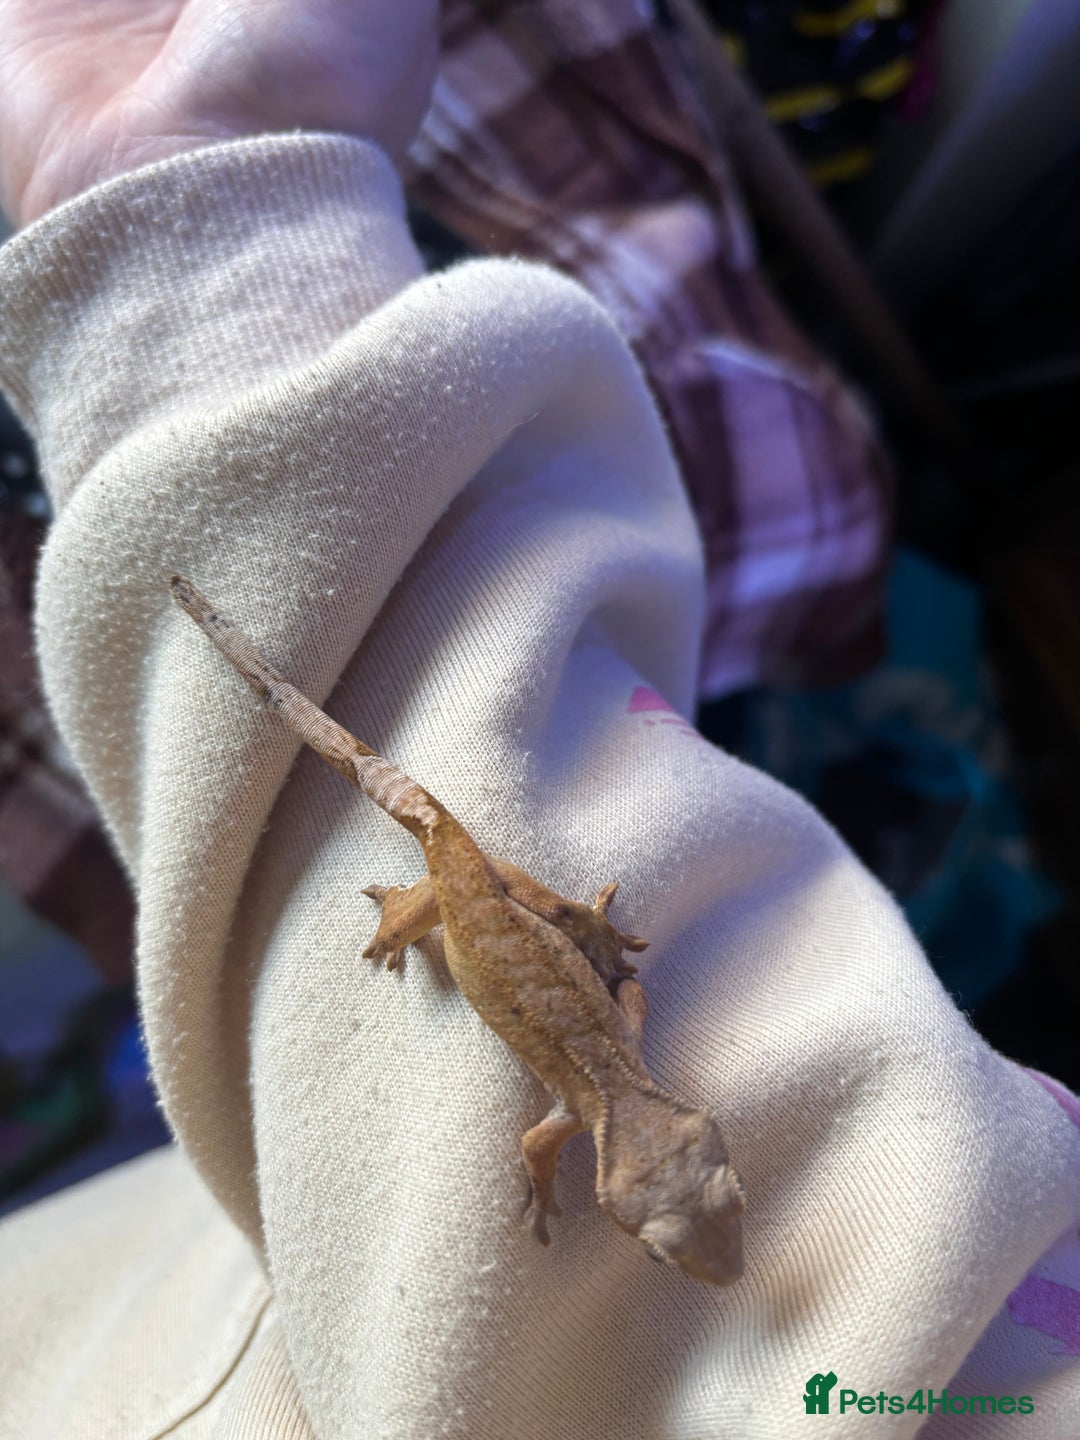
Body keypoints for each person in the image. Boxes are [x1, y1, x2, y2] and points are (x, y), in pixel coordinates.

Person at [0, 3, 1078, 1437]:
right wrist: (560, 941)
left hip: (486, 874)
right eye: (696, 1201)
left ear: (666, 1149)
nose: (701, 1224)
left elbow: (593, 1035)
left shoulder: (595, 1093)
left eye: (671, 1219)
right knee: (407, 842)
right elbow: (587, 1029)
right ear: (679, 1139)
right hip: (475, 878)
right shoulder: (583, 1099)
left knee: (414, 850)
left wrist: (583, 957)